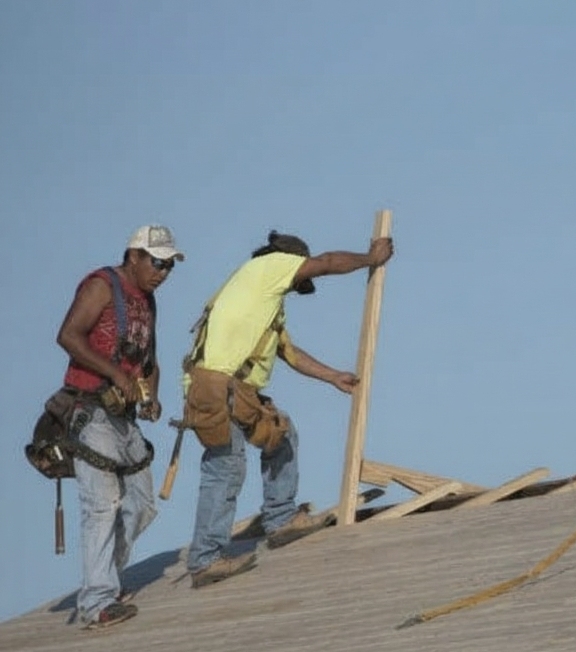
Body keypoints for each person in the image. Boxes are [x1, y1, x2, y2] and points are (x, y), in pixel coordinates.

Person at [180, 230, 394, 588]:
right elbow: (325, 263)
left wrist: (332, 377)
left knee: (281, 434)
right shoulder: (269, 266)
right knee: (226, 466)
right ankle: (205, 560)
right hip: (218, 387)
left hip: (234, 388)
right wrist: (369, 260)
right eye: (299, 279)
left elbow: (288, 352)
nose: (297, 287)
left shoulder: (263, 299)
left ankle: (280, 519)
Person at [56, 225, 183, 627]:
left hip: (122, 417)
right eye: (157, 262)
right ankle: (97, 601)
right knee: (102, 505)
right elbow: (68, 336)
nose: (162, 272)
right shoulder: (102, 285)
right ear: (134, 257)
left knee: (141, 505)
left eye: (168, 266)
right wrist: (116, 374)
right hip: (89, 408)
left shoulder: (147, 300)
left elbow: (150, 362)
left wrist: (152, 396)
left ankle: (105, 581)